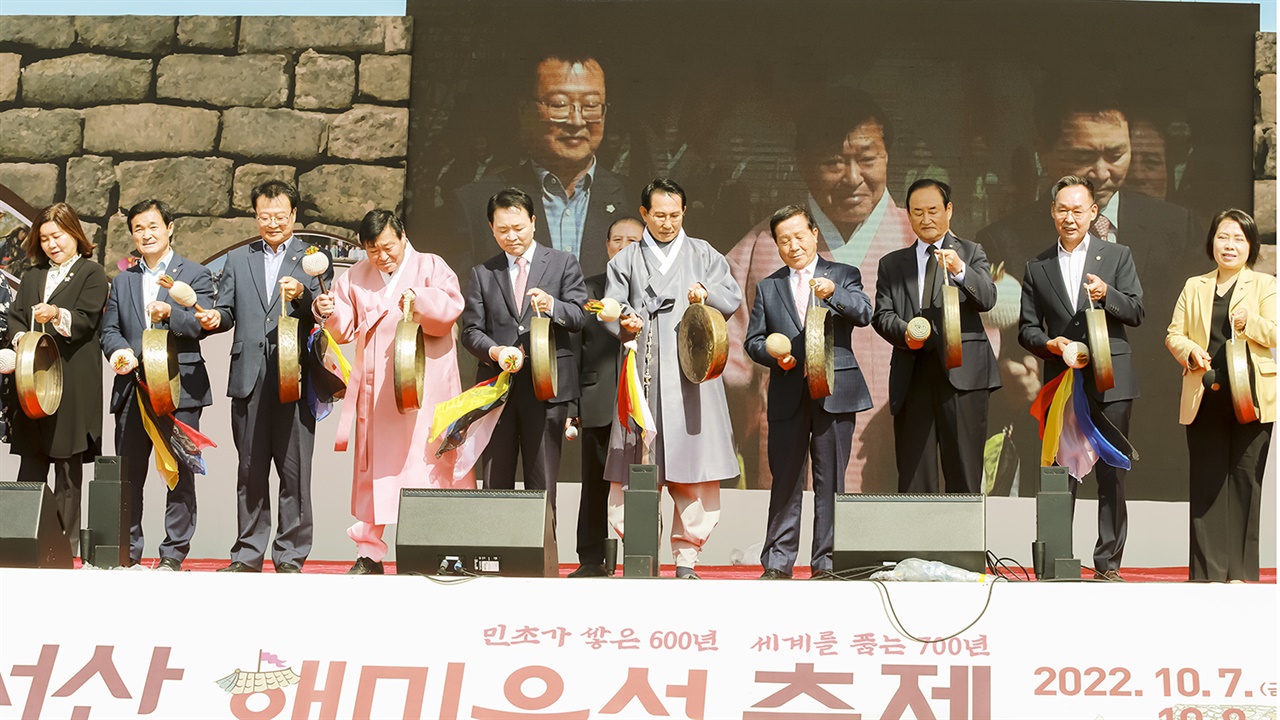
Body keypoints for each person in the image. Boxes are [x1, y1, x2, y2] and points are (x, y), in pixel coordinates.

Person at [976, 88, 1196, 498]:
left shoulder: (1177, 229)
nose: (1101, 171)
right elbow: (997, 340)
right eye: (1082, 157)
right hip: (1053, 422)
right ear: (1044, 149)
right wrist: (1006, 372)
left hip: (1153, 434)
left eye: (1116, 154)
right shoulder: (1004, 239)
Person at [725, 90, 914, 492]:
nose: (852, 177)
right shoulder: (761, 248)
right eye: (832, 162)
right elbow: (729, 369)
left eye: (867, 159)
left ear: (888, 157)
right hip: (793, 426)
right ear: (803, 164)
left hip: (894, 431)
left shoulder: (916, 242)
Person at [314, 210, 471, 575]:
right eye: (373, 251)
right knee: (377, 470)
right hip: (377, 389)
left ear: (402, 236)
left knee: (433, 464)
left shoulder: (432, 266)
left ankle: (443, 551)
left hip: (426, 385)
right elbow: (342, 327)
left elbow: (451, 309)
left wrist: (421, 300)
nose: (382, 257)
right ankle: (370, 552)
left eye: (388, 247)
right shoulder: (354, 276)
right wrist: (329, 310)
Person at [604, 177, 742, 579]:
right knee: (636, 465)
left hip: (691, 375)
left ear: (685, 212)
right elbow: (611, 307)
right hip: (643, 373)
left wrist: (706, 293)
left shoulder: (704, 254)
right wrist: (623, 320)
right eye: (659, 215)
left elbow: (730, 295)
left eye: (675, 215)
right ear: (644, 213)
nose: (667, 223)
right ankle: (640, 551)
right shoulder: (624, 261)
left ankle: (687, 557)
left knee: (692, 466)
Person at [194, 181, 331, 573]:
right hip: (249, 377)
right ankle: (247, 554)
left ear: (293, 216)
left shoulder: (312, 257)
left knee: (294, 471)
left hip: (296, 378)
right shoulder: (239, 259)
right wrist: (213, 318)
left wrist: (305, 296)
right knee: (250, 470)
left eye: (279, 216)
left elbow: (321, 310)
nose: (272, 223)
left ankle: (290, 555)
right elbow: (227, 311)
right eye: (264, 216)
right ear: (256, 217)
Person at [1018, 176, 1143, 581]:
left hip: (1111, 380)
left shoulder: (1118, 256)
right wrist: (1051, 345)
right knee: (1060, 473)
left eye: (1078, 210)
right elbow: (1026, 330)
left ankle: (1108, 564)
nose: (1069, 218)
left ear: (1093, 213)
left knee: (1112, 474)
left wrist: (1108, 293)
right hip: (1063, 382)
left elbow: (1137, 312)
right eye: (1062, 209)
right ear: (1052, 212)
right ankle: (1056, 560)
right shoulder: (1037, 267)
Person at [744, 204, 872, 579]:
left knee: (831, 480)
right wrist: (772, 354)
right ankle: (778, 561)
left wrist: (833, 293)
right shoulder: (768, 287)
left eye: (799, 236)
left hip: (835, 391)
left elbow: (864, 313)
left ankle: (827, 562)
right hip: (788, 392)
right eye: (784, 240)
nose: (793, 245)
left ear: (815, 234)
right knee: (785, 480)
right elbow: (753, 341)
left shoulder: (843, 274)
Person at [100, 199, 214, 570]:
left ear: (170, 227)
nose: (146, 235)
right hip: (133, 387)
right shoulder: (123, 280)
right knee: (129, 473)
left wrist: (174, 314)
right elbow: (110, 330)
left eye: (153, 226)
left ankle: (172, 554)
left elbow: (203, 325)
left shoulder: (195, 273)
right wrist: (119, 353)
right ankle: (127, 552)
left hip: (179, 387)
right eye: (138, 229)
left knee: (179, 471)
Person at [459, 188, 587, 512]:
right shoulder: (482, 273)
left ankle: (542, 559)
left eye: (518, 227)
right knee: (494, 479)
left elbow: (580, 315)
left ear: (533, 222)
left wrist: (552, 303)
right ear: (491, 228)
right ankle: (495, 556)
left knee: (542, 481)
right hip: (498, 389)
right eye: (503, 230)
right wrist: (495, 352)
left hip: (546, 388)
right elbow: (471, 331)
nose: (511, 236)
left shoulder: (562, 263)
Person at [451, 49, 630, 278]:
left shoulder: (635, 200)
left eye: (591, 105)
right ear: (525, 111)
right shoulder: (475, 205)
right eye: (559, 105)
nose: (576, 120)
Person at [1165, 209, 1274, 582]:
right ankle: (1208, 573)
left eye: (1239, 239)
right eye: (1223, 236)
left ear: (1251, 246)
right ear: (1211, 241)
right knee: (1208, 483)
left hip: (1251, 397)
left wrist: (1250, 322)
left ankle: (1241, 573)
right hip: (1205, 394)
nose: (1230, 245)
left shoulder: (1265, 285)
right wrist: (1189, 351)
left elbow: (1275, 333)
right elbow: (1173, 333)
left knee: (1246, 481)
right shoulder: (1194, 285)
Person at [872, 180, 1001, 494]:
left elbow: (987, 298)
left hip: (963, 375)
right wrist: (906, 333)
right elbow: (881, 315)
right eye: (917, 212)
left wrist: (960, 270)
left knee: (964, 470)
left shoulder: (971, 252)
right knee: (915, 474)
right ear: (908, 215)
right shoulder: (892, 264)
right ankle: (918, 544)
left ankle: (964, 544)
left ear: (949, 210)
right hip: (912, 374)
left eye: (933, 210)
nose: (925, 219)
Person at [5, 203, 108, 557]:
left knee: (68, 467)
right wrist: (24, 342)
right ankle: (21, 540)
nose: (52, 244)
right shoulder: (33, 276)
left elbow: (85, 320)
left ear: (74, 234)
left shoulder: (91, 273)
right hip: (33, 382)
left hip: (72, 379)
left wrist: (56, 314)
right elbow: (17, 319)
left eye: (58, 236)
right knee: (31, 461)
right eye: (45, 238)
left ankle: (65, 546)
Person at [566, 216, 642, 578]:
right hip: (598, 399)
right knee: (594, 480)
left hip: (642, 401)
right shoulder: (588, 289)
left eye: (633, 240)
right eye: (617, 239)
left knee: (642, 481)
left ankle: (641, 556)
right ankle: (591, 557)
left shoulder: (651, 290)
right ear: (606, 245)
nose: (624, 246)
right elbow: (575, 349)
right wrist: (572, 404)